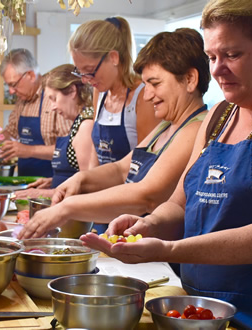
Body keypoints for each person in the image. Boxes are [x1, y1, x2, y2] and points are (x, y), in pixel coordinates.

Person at [80, 0, 252, 328]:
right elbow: (181, 206)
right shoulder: (219, 116)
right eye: (212, 57)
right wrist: (147, 226)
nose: (217, 70)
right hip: (202, 310)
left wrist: (168, 249)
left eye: (232, 55)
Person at [18, 28, 209, 239]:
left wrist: (67, 207)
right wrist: (81, 179)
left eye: (155, 84)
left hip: (160, 250)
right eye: (145, 85)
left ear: (190, 79)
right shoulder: (166, 125)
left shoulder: (195, 128)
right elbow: (120, 170)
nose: (146, 96)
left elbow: (147, 195)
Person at [69, 16, 160, 167]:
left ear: (113, 58)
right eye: (80, 72)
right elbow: (95, 151)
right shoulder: (100, 92)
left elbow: (143, 164)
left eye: (90, 71)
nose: (85, 80)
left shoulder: (143, 96)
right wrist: (87, 182)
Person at [14, 64, 97, 199]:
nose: (52, 107)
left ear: (71, 91)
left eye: (54, 99)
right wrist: (54, 181)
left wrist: (45, 193)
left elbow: (88, 187)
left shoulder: (86, 126)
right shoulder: (77, 122)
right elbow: (75, 175)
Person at [0, 48, 73, 177]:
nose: (11, 91)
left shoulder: (54, 99)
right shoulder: (22, 100)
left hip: (53, 182)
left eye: (14, 84)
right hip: (25, 182)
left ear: (31, 75)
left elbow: (68, 150)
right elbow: (11, 132)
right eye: (8, 86)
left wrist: (29, 150)